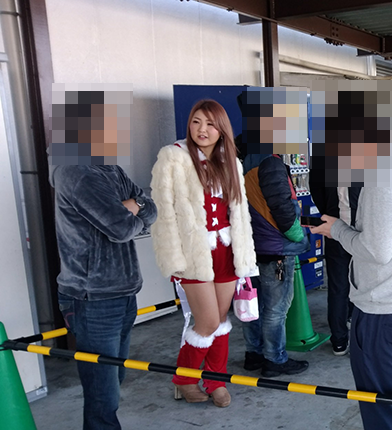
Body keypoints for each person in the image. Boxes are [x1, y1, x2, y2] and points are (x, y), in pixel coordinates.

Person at [309, 141, 392, 430]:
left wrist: (337, 230)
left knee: (382, 414)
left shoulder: (384, 177)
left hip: (384, 312)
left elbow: (376, 250)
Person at [151, 100, 256, 407]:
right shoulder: (173, 157)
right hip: (193, 254)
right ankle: (184, 379)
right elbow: (163, 213)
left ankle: (215, 380)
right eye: (196, 122)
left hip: (228, 251)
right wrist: (174, 258)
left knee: (221, 320)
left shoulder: (231, 162)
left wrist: (245, 256)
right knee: (207, 322)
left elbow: (240, 213)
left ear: (222, 129)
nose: (202, 130)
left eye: (210, 123)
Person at [50, 132, 157, 428]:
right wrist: (135, 208)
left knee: (114, 378)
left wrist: (133, 205)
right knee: (102, 393)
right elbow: (121, 229)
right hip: (92, 297)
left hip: (123, 290)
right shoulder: (75, 171)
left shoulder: (111, 169)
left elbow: (151, 210)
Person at [241, 151, 311, 377]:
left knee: (253, 304)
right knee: (276, 309)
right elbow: (282, 206)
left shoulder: (241, 161)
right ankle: (275, 359)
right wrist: (298, 235)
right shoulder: (269, 162)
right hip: (275, 249)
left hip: (249, 247)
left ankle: (254, 354)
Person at [309, 181, 361, 356]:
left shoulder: (327, 164)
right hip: (360, 233)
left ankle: (339, 341)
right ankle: (357, 332)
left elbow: (316, 189)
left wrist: (330, 213)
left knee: (338, 288)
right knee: (362, 284)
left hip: (334, 230)